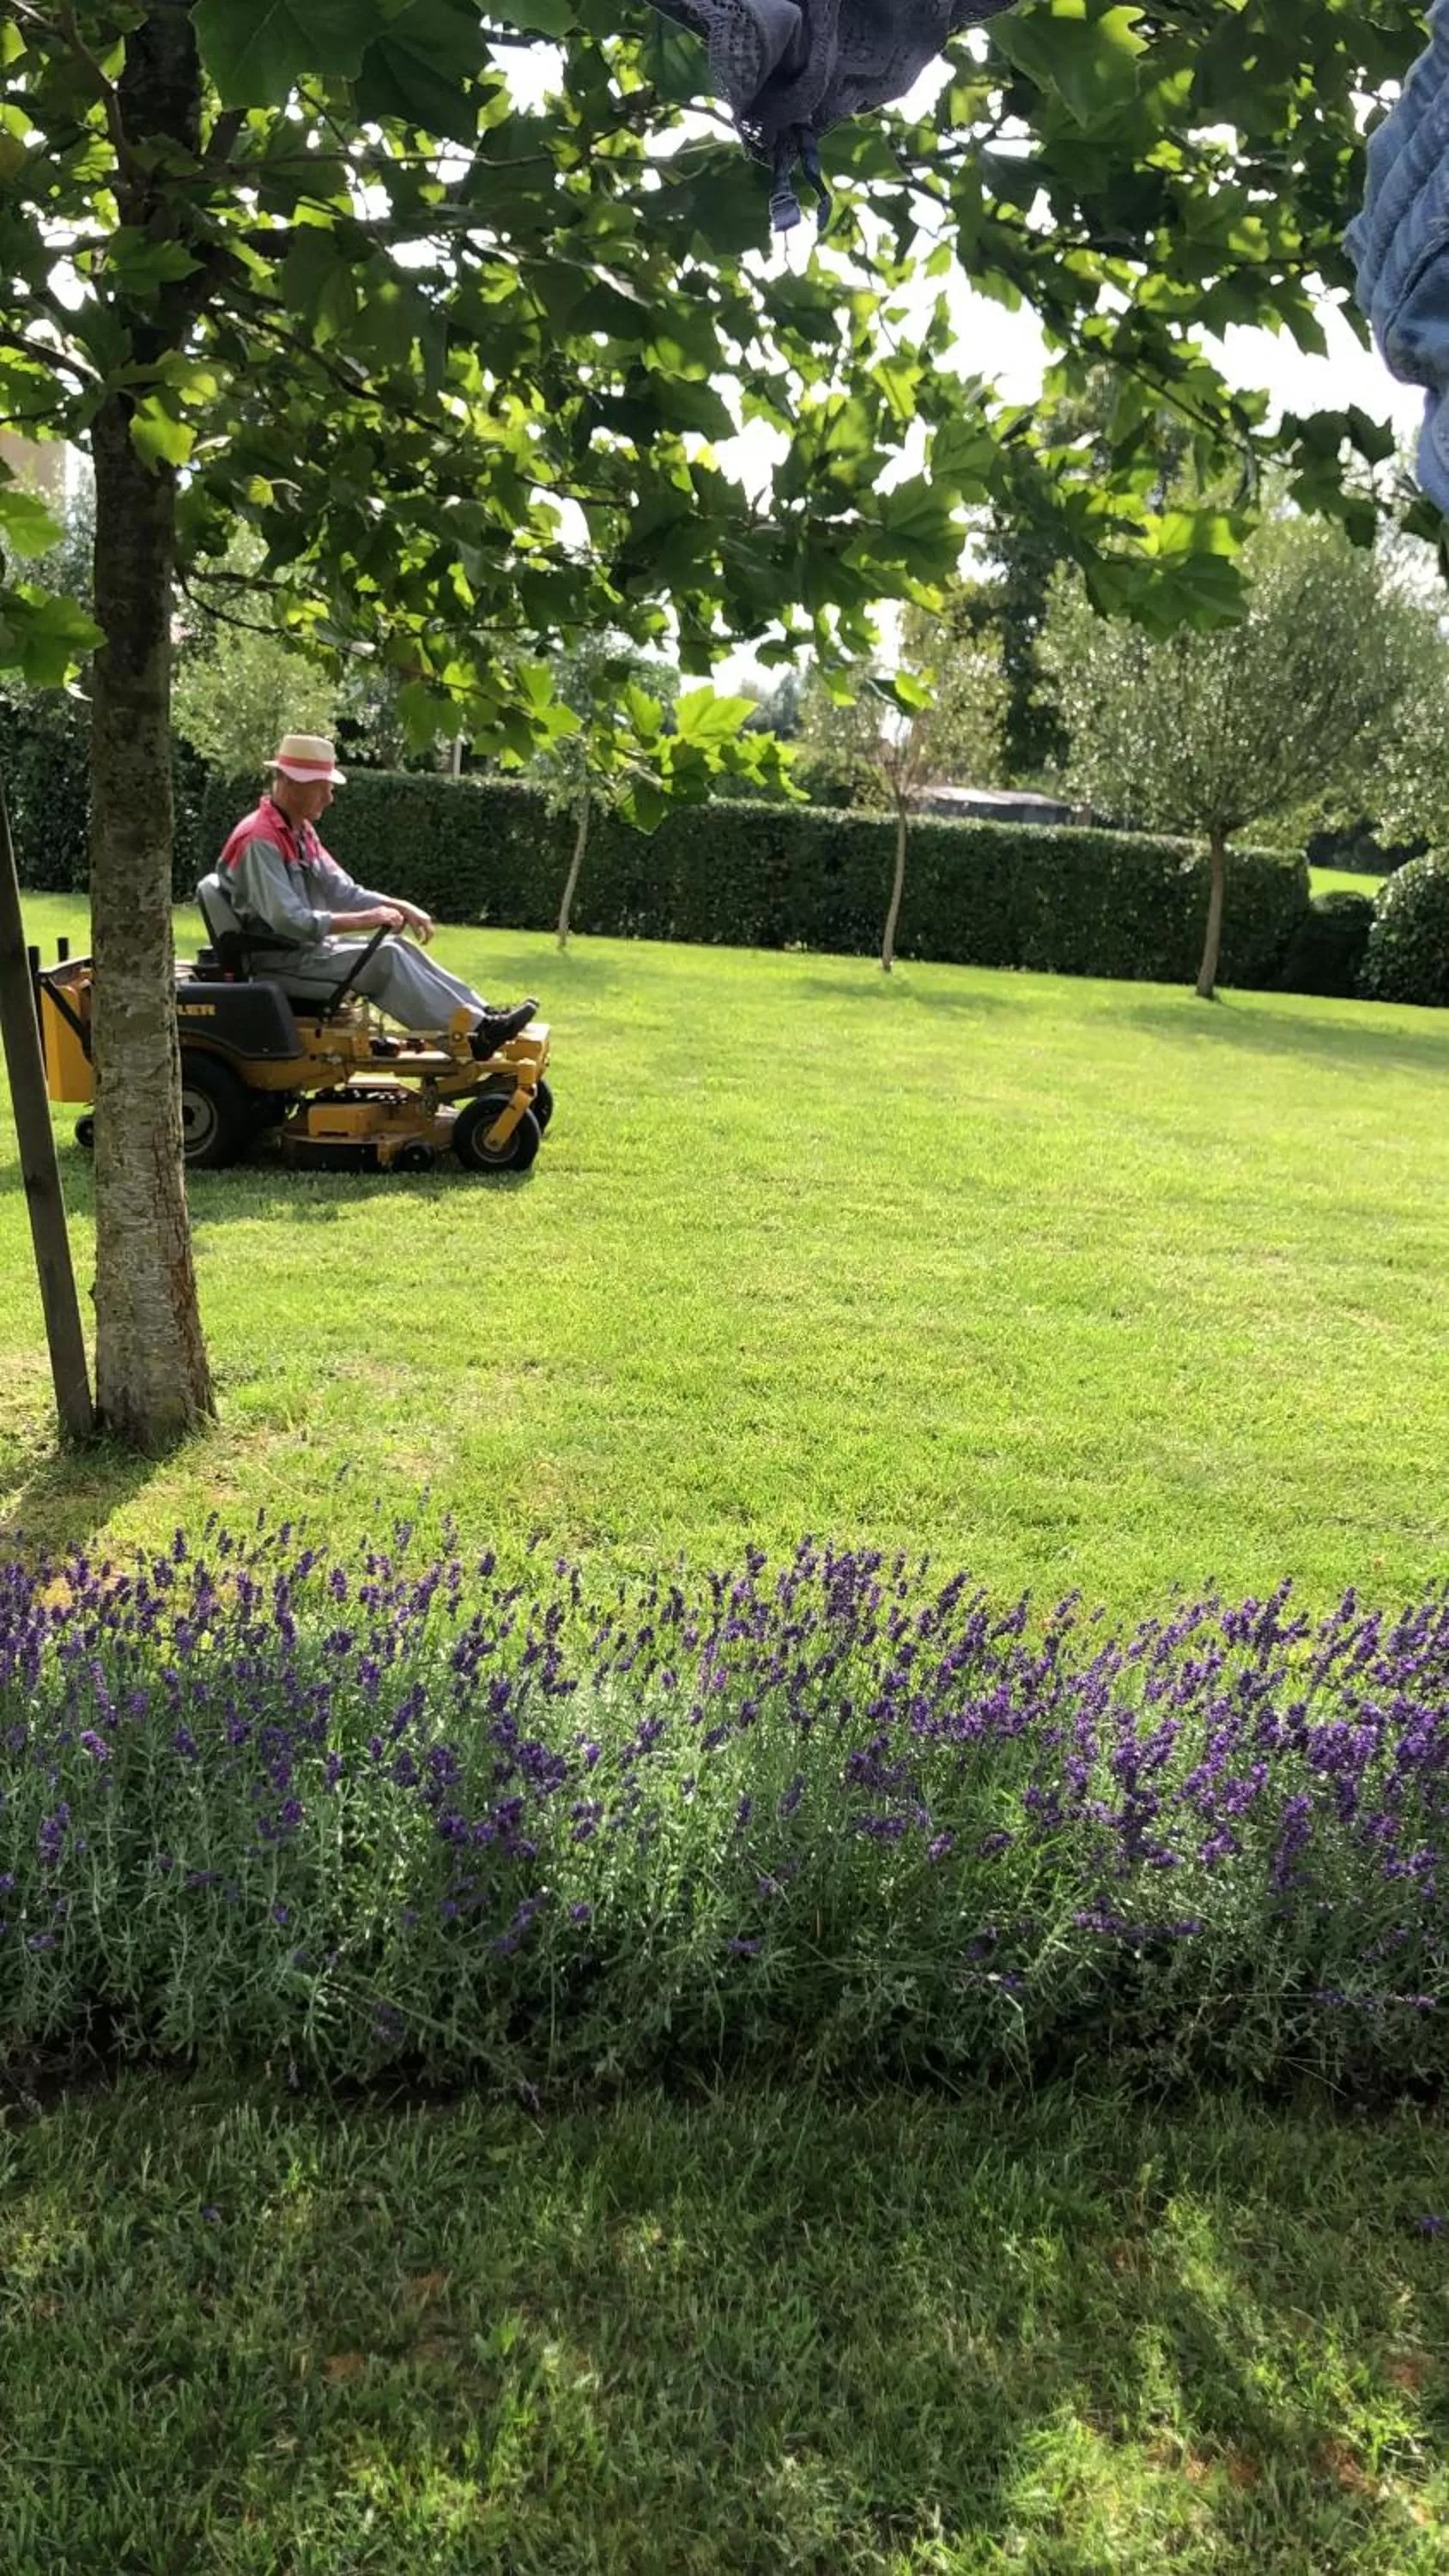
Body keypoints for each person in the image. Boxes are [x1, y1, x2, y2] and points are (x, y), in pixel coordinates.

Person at [215, 734, 537, 1057]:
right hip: (279, 962)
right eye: (322, 786)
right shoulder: (260, 840)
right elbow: (290, 921)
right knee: (386, 958)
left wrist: (400, 906)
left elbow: (344, 892)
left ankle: (484, 1017)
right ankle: (472, 1037)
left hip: (304, 953)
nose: (330, 797)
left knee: (397, 945)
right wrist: (368, 919)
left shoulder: (299, 831)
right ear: (291, 783)